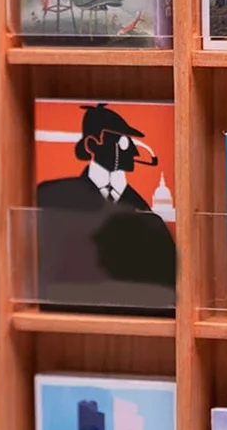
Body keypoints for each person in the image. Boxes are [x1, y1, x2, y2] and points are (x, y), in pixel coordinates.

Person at [36, 104, 176, 313]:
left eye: (131, 142)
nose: (133, 150)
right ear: (92, 144)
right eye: (123, 142)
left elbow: (165, 283)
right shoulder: (50, 195)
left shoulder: (145, 212)